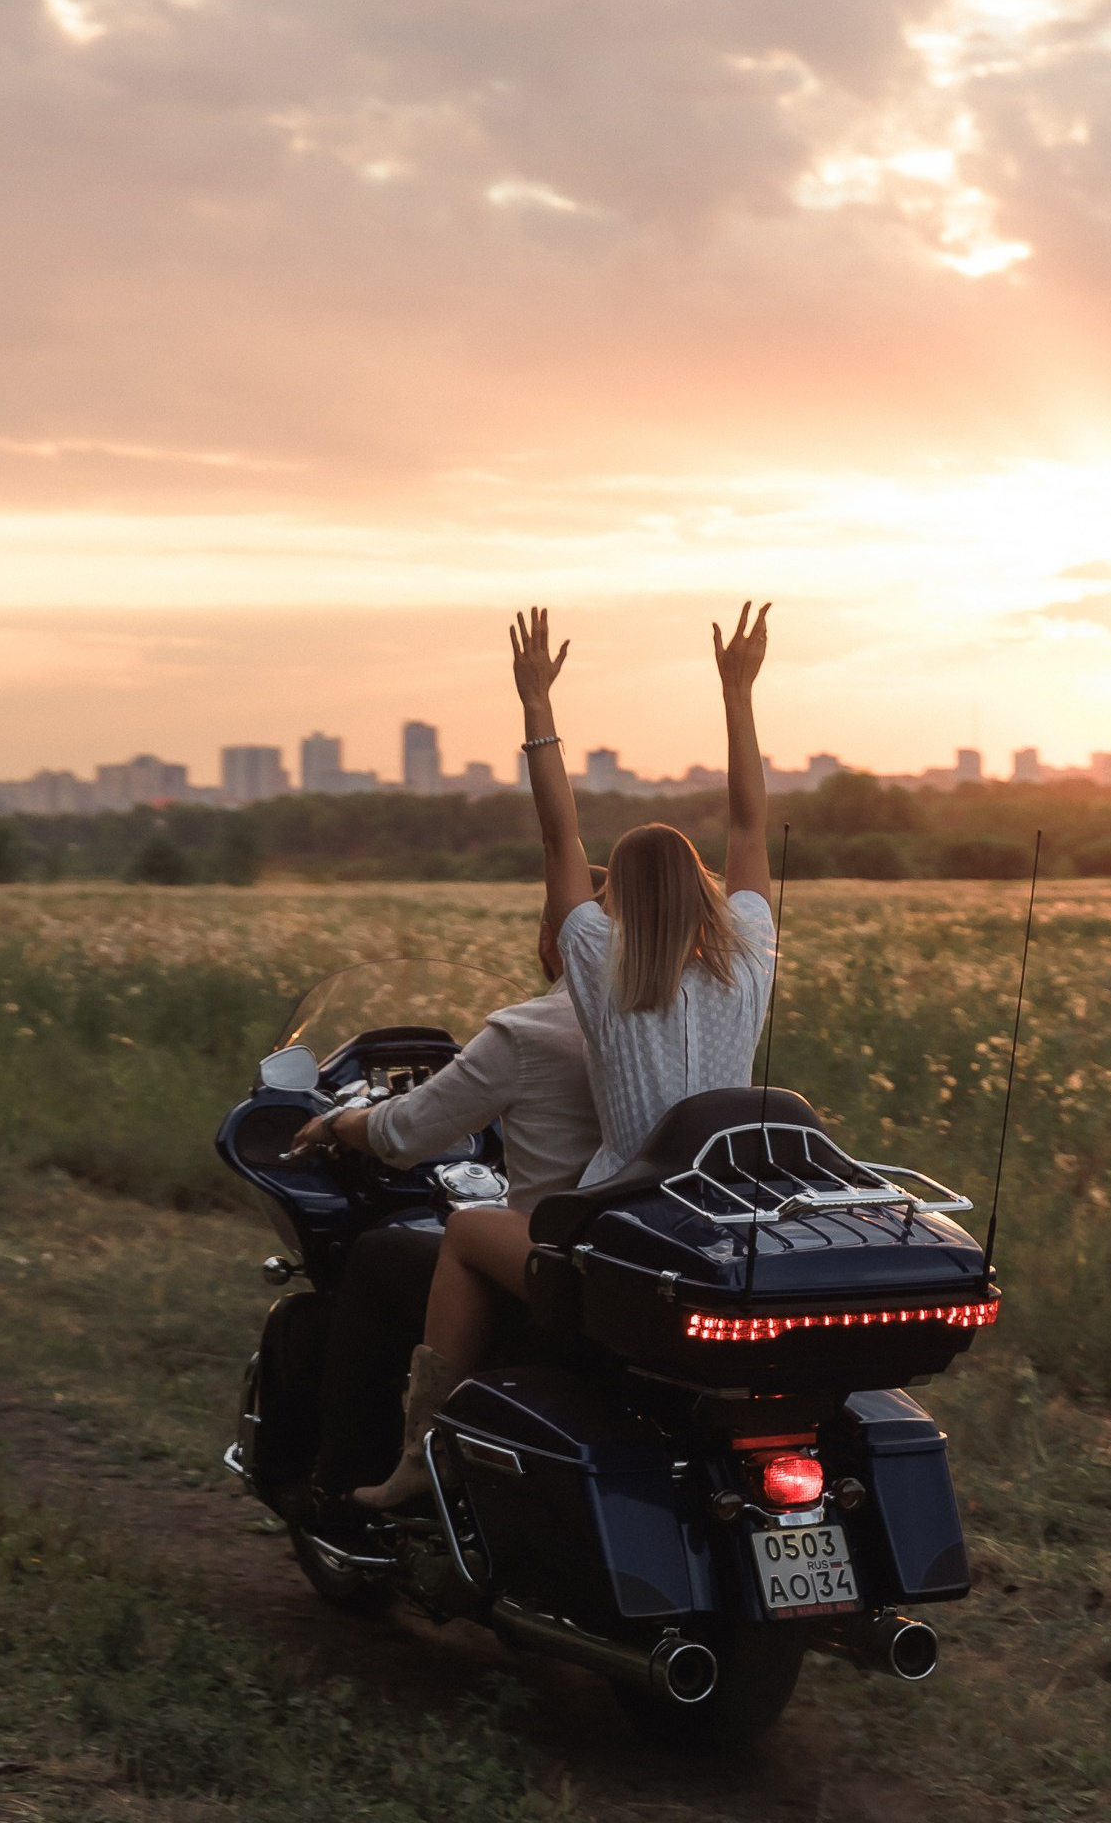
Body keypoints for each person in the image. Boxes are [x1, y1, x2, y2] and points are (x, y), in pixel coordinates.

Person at [352, 597, 778, 1509]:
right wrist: (738, 693)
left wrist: (536, 705)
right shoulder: (748, 960)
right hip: (719, 1230)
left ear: (612, 898)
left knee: (467, 1229)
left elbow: (558, 834)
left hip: (621, 1234)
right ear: (707, 893)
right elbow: (748, 826)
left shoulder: (599, 967)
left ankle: (416, 1461)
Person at [290, 897, 605, 1508]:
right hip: (639, 1249)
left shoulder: (530, 1030)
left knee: (378, 1255)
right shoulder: (681, 1018)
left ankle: (352, 1482)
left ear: (552, 939)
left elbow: (404, 1132)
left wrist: (337, 1126)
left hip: (556, 1261)